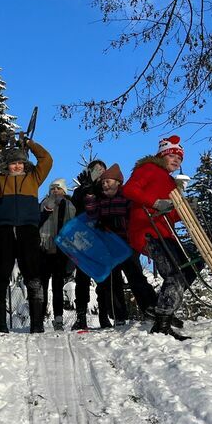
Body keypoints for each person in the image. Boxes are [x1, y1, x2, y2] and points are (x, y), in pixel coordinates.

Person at [122, 136, 196, 340]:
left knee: (190, 268)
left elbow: (170, 214)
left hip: (165, 233)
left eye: (179, 158)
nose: (176, 160)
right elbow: (129, 190)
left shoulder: (170, 181)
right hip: (148, 231)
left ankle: (163, 308)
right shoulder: (148, 169)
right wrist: (154, 202)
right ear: (162, 155)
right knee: (175, 274)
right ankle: (162, 323)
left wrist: (185, 210)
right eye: (172, 155)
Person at [0, 134, 53, 333]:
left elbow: (47, 160)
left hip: (28, 230)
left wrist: (29, 143)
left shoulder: (33, 178)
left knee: (33, 275)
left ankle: (37, 324)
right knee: (1, 275)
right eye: (13, 163)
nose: (17, 166)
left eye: (20, 162)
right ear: (6, 165)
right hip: (3, 231)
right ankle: (1, 324)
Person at [84, 164, 159, 327]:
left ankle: (151, 309)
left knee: (135, 276)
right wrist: (90, 197)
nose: (105, 185)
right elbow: (91, 215)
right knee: (112, 280)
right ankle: (119, 315)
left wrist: (123, 225)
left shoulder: (125, 197)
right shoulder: (100, 200)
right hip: (109, 246)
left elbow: (135, 217)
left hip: (126, 243)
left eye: (108, 182)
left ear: (118, 182)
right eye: (103, 182)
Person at [70, 159, 107, 330]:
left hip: (101, 238)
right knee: (82, 279)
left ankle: (104, 315)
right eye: (96, 169)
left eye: (102, 170)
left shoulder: (105, 190)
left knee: (103, 278)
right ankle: (81, 316)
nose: (99, 172)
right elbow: (76, 203)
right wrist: (86, 188)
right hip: (83, 238)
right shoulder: (81, 190)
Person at [38, 178, 75, 331]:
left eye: (58, 188)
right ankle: (39, 317)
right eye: (52, 188)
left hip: (61, 250)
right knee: (43, 286)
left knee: (58, 286)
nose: (55, 191)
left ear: (64, 191)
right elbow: (39, 222)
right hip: (45, 249)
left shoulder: (68, 205)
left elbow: (73, 224)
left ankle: (58, 318)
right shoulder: (44, 204)